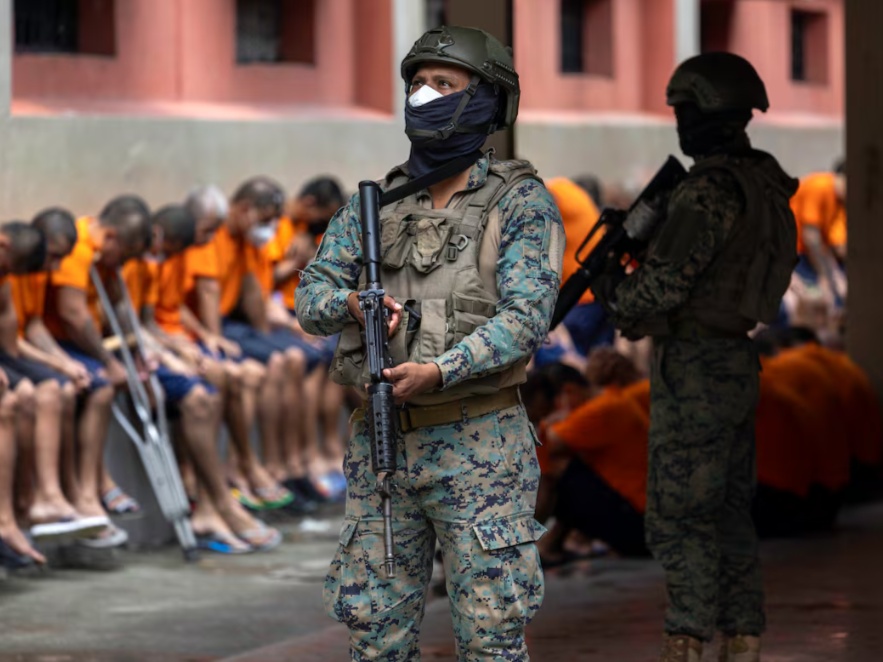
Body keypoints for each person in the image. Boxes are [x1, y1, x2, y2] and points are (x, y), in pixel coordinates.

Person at [296, 25, 564, 660]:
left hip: (480, 447)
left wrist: (441, 371)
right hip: (384, 445)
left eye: (444, 85)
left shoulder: (520, 204)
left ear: (487, 101)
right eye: (416, 85)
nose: (424, 97)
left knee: (490, 639)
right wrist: (352, 305)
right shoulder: (378, 205)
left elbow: (526, 316)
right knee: (375, 637)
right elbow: (311, 298)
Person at [592, 53, 798, 662]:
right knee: (731, 509)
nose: (679, 122)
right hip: (735, 360)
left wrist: (610, 288)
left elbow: (658, 292)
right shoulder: (759, 180)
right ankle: (742, 636)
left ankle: (685, 639)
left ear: (706, 113)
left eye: (684, 110)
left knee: (679, 516)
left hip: (696, 367)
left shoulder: (707, 190)